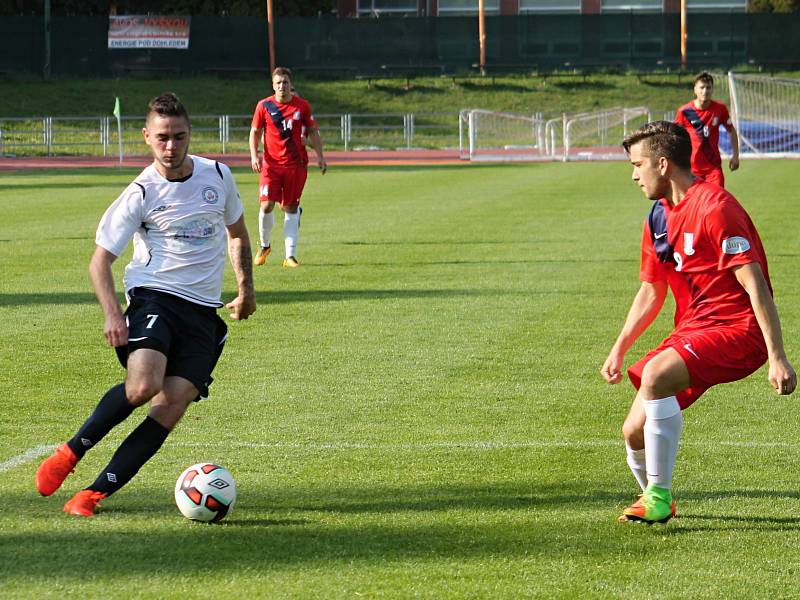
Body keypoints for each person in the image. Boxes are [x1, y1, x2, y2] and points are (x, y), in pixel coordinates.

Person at [35, 92, 257, 517]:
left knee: (170, 405)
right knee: (143, 386)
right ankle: (70, 452)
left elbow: (237, 234)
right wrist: (112, 313)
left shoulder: (218, 176)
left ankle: (93, 494)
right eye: (162, 138)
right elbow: (100, 261)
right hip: (154, 297)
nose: (171, 146)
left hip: (203, 314)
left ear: (191, 133)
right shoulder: (140, 192)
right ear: (146, 137)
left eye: (179, 136)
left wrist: (246, 290)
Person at [600, 120, 795, 525]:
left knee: (655, 375)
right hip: (694, 329)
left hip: (739, 330)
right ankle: (656, 496)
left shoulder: (716, 208)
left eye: (638, 164)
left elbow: (755, 285)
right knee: (632, 431)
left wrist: (777, 356)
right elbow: (652, 291)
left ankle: (658, 496)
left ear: (664, 163)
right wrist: (619, 347)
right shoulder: (657, 218)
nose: (634, 175)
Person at [249, 66, 327, 268]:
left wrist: (320, 156)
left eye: (285, 82)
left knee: (291, 208)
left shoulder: (302, 106)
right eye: (278, 83)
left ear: (291, 85)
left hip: (296, 165)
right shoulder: (264, 105)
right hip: (271, 165)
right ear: (273, 85)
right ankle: (265, 246)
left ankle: (289, 256)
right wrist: (254, 155)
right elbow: (255, 132)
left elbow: (313, 132)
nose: (282, 86)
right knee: (266, 204)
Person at [674, 72, 740, 188]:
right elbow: (674, 137)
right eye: (702, 87)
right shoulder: (684, 112)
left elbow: (731, 130)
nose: (705, 91)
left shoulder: (720, 109)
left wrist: (735, 155)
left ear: (712, 89)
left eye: (708, 87)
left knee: (717, 204)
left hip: (713, 169)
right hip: (691, 170)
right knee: (693, 205)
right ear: (695, 89)